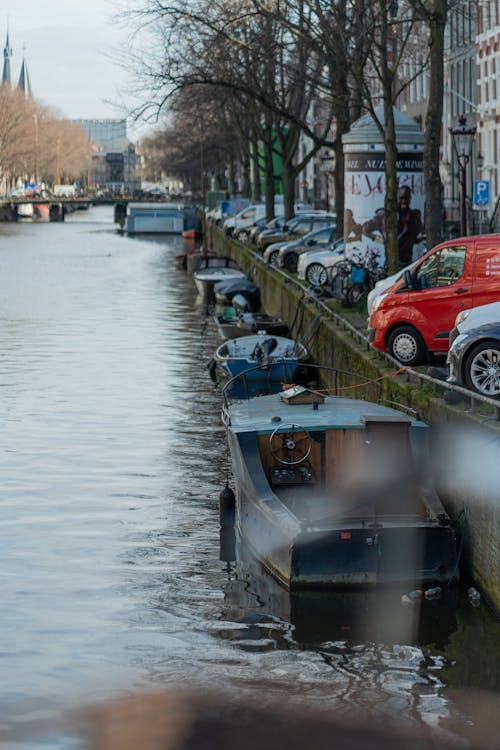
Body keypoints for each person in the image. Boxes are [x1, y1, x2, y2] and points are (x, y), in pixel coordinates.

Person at [397, 186, 422, 266]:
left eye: (406, 198)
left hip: (408, 260)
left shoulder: (414, 216)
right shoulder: (392, 217)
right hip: (395, 261)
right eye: (402, 198)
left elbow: (417, 237)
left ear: (410, 199)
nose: (404, 201)